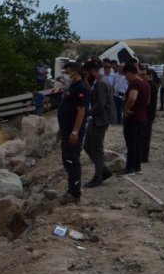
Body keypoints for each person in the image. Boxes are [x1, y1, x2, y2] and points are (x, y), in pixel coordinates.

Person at [53, 62, 89, 202]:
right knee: (68, 160)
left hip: (73, 132)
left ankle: (75, 194)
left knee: (72, 161)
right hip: (66, 130)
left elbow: (81, 111)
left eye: (68, 72)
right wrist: (61, 130)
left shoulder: (81, 88)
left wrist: (75, 132)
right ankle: (71, 189)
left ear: (75, 71)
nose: (66, 75)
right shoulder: (72, 86)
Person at [82, 60, 116, 188]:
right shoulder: (98, 81)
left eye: (86, 74)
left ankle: (98, 177)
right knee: (87, 145)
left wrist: (88, 113)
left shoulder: (101, 83)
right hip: (96, 118)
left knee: (97, 148)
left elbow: (100, 104)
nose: (86, 77)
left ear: (92, 72)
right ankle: (103, 170)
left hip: (101, 119)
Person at [117, 64, 150, 176]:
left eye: (125, 75)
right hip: (143, 116)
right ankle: (137, 166)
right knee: (138, 143)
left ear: (129, 73)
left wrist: (126, 109)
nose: (126, 77)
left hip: (133, 118)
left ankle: (129, 168)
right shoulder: (145, 83)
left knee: (131, 144)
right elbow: (148, 101)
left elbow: (132, 98)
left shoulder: (135, 83)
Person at [139, 69, 160, 163]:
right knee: (141, 135)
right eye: (140, 75)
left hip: (148, 114)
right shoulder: (145, 84)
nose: (142, 76)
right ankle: (141, 154)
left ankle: (144, 157)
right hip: (144, 114)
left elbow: (147, 101)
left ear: (149, 75)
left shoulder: (151, 86)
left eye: (143, 74)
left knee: (146, 136)